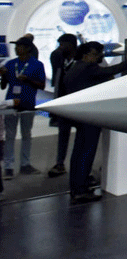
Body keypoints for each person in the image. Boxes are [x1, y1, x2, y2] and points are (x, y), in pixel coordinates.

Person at [63, 41, 127, 203]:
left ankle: (77, 188)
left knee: (78, 153)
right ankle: (81, 190)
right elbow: (110, 71)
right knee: (86, 153)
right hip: (90, 117)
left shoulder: (74, 68)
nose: (99, 57)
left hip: (79, 117)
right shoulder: (88, 68)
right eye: (96, 54)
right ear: (86, 55)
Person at [0, 37, 47, 179]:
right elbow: (3, 86)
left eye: (19, 46)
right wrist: (3, 75)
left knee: (26, 134)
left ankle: (25, 164)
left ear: (28, 48)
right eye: (16, 46)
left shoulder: (37, 64)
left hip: (28, 103)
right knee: (9, 135)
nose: (16, 49)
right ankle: (8, 167)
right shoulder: (10, 63)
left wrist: (28, 80)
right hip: (11, 103)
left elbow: (42, 85)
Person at [47, 33, 79, 177]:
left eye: (62, 44)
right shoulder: (60, 60)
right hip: (63, 104)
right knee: (63, 135)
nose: (60, 47)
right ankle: (60, 163)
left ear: (71, 45)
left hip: (78, 104)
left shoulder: (81, 60)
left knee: (82, 137)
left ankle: (80, 166)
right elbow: (58, 82)